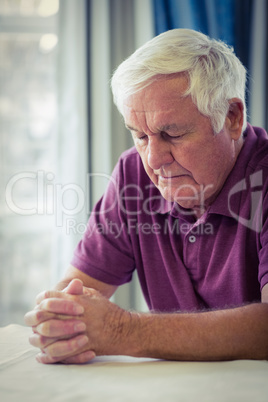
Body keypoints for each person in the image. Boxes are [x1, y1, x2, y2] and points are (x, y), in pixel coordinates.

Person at [24, 29, 268, 364]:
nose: (153, 159)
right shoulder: (132, 175)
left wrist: (124, 330)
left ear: (231, 118)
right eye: (140, 135)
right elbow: (74, 292)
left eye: (172, 134)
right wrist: (60, 320)